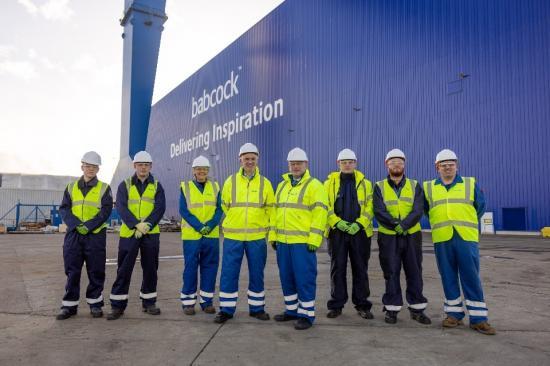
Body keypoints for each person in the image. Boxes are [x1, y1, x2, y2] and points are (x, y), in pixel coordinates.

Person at [424, 149, 496, 335]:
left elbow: (480, 207)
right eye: (444, 165)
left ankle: (479, 319)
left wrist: (466, 221)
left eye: (451, 164)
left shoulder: (469, 184)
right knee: (447, 276)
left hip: (465, 237)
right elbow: (426, 210)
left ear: (457, 165)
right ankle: (453, 314)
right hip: (442, 238)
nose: (448, 168)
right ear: (437, 167)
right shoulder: (429, 187)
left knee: (471, 276)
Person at [214, 143, 275, 324]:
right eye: (246, 158)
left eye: (252, 159)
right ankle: (226, 310)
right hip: (233, 237)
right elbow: (223, 204)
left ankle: (257, 308)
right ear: (240, 159)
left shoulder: (265, 183)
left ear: (257, 160)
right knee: (228, 273)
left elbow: (271, 209)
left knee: (257, 273)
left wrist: (269, 232)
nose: (249, 161)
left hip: (256, 238)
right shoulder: (230, 181)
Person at [270, 148, 328, 330]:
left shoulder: (315, 185)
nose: (295, 167)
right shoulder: (282, 186)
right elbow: (275, 213)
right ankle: (291, 310)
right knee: (286, 277)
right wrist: (273, 236)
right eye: (292, 164)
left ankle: (307, 315)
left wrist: (314, 239)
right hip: (283, 243)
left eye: (299, 163)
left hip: (303, 244)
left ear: (306, 164)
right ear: (288, 165)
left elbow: (320, 214)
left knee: (304, 278)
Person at [373, 149, 430, 324]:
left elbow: (418, 209)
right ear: (386, 165)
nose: (396, 165)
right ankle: (392, 309)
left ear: (404, 165)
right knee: (391, 272)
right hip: (388, 237)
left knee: (414, 271)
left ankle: (417, 309)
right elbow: (378, 210)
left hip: (411, 235)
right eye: (392, 162)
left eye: (399, 162)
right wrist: (395, 225)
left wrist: (404, 225)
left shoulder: (414, 185)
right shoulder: (379, 186)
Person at [107, 150, 166, 320]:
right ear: (134, 166)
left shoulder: (157, 185)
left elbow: (159, 208)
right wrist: (136, 225)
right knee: (124, 269)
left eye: (146, 165)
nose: (143, 168)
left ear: (151, 166)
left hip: (150, 233)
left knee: (150, 269)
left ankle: (149, 302)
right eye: (140, 165)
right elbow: (121, 207)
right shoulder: (124, 185)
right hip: (129, 234)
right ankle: (118, 306)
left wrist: (146, 225)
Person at [57, 151, 112, 320]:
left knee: (96, 270)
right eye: (88, 166)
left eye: (94, 167)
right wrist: (76, 225)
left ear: (98, 169)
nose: (90, 169)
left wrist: (87, 226)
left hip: (95, 235)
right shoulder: (71, 187)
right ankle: (69, 306)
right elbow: (64, 208)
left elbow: (106, 211)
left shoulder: (104, 188)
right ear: (82, 167)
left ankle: (95, 304)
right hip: (74, 235)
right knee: (72, 270)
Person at [324, 148, 374, 320]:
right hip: (337, 232)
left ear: (355, 163)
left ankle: (362, 305)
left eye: (350, 162)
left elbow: (370, 207)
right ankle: (336, 305)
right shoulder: (328, 183)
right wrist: (336, 222)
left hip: (359, 233)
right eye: (344, 162)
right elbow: (325, 206)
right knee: (337, 269)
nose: (347, 165)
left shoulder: (366, 184)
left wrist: (359, 224)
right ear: (338, 164)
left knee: (360, 269)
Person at [179, 155, 222, 315]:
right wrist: (199, 226)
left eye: (204, 169)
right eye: (198, 169)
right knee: (190, 268)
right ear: (194, 171)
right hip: (192, 236)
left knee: (210, 267)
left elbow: (220, 209)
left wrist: (210, 225)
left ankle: (207, 302)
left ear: (208, 171)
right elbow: (184, 211)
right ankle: (188, 303)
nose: (201, 172)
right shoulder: (185, 187)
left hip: (211, 236)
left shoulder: (216, 187)